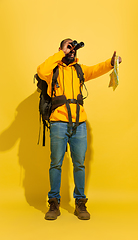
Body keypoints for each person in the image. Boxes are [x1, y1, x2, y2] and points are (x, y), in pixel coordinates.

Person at [37, 38, 122, 220]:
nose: (72, 50)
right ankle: (53, 203)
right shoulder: (53, 70)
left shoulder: (79, 69)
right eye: (68, 46)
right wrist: (62, 53)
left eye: (73, 48)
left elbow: (96, 69)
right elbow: (40, 70)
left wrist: (111, 62)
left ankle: (80, 203)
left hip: (79, 124)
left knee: (79, 164)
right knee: (56, 164)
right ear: (61, 49)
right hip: (58, 122)